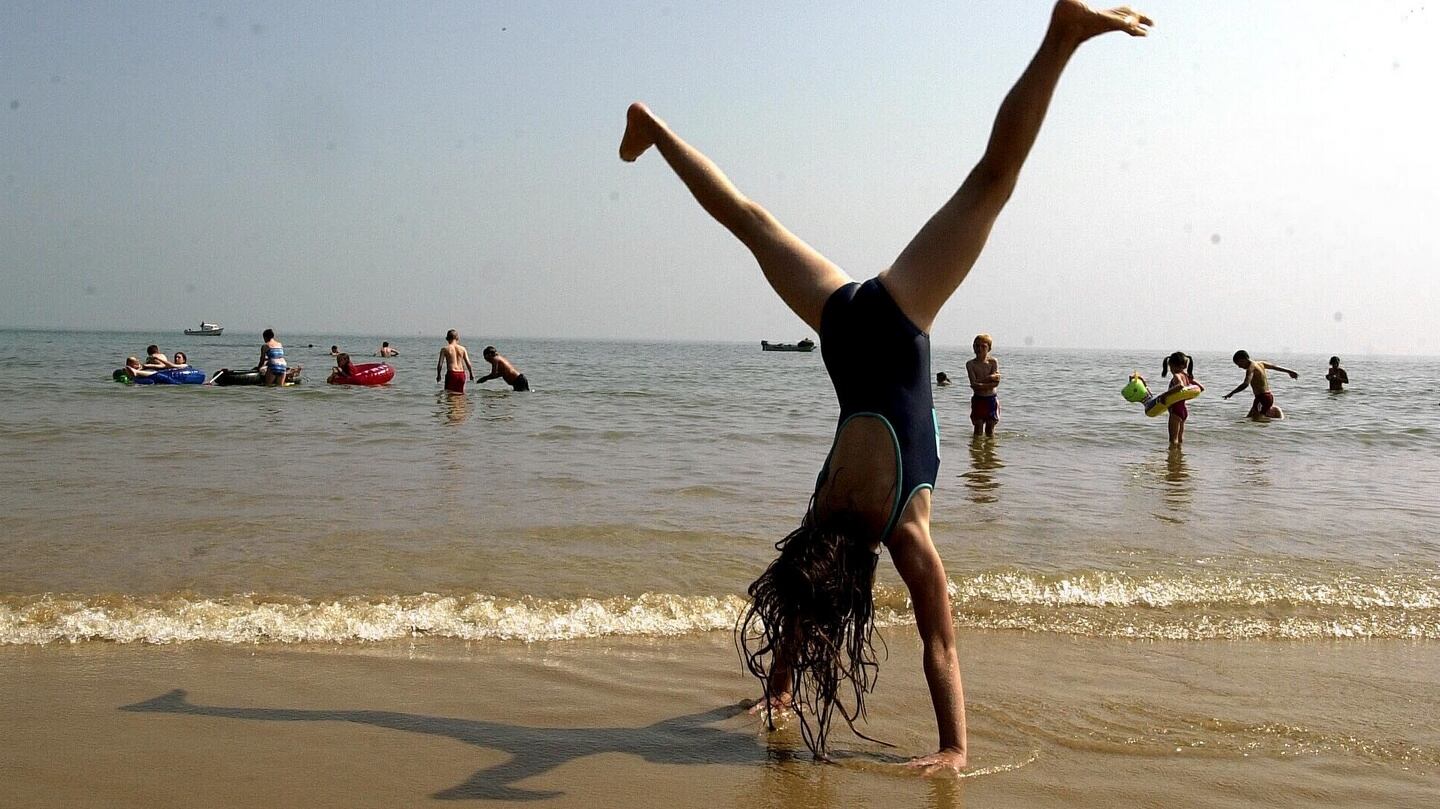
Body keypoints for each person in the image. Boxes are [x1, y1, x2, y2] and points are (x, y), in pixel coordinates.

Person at [619, 0, 1152, 772]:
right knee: (747, 219)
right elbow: (800, 589)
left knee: (993, 182)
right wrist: (776, 688)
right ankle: (655, 128)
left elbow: (940, 643)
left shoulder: (902, 529)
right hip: (843, 323)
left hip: (900, 317)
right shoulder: (825, 511)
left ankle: (1061, 34)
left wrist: (955, 747)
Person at [1224, 350, 1297, 419]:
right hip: (1265, 396)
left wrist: (1232, 393)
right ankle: (1272, 410)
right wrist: (1290, 371)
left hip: (1262, 398)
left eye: (1239, 364)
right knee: (1248, 418)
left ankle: (1275, 411)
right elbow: (1274, 367)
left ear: (1244, 359)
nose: (1239, 367)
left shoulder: (1251, 368)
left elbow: (1245, 384)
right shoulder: (1260, 363)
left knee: (1256, 421)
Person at [1160, 351, 1201, 446]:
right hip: (1183, 411)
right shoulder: (1187, 377)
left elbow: (1180, 386)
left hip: (1175, 410)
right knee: (1180, 438)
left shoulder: (1177, 375)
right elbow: (1201, 388)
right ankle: (1179, 457)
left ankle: (1173, 459)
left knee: (1173, 440)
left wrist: (1164, 395)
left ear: (1171, 365)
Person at [965, 334, 1001, 436]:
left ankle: (989, 451)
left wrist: (981, 384)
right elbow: (974, 384)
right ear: (973, 347)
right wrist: (989, 378)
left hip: (991, 399)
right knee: (978, 427)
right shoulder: (971, 364)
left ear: (989, 348)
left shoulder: (993, 362)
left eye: (983, 346)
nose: (979, 349)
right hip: (979, 398)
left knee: (990, 428)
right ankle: (976, 451)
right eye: (977, 346)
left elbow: (996, 383)